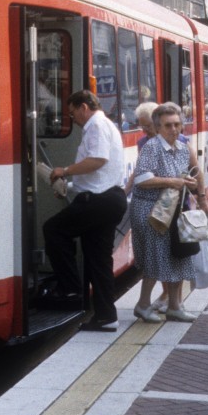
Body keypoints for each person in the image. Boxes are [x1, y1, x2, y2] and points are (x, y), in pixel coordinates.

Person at [45, 90, 127, 332]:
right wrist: (69, 187)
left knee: (53, 230)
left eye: (73, 114)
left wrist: (65, 171)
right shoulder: (105, 125)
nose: (74, 119)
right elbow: (98, 173)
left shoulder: (96, 125)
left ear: (83, 107)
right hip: (109, 198)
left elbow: (97, 160)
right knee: (98, 261)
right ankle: (106, 316)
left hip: (99, 201)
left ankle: (70, 287)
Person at [130, 102, 207, 324]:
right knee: (157, 257)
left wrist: (190, 184)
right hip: (152, 212)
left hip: (173, 210)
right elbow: (142, 178)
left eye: (177, 124)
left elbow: (187, 176)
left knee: (178, 256)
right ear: (158, 127)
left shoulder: (183, 149)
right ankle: (144, 305)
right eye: (168, 125)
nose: (173, 129)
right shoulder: (152, 147)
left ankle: (174, 306)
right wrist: (174, 181)